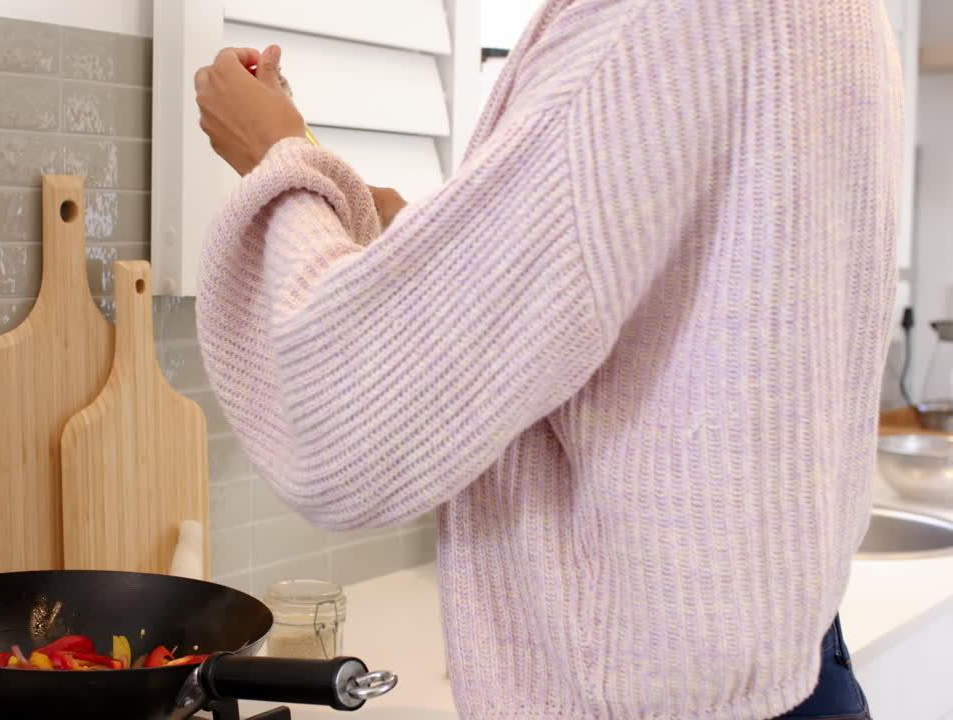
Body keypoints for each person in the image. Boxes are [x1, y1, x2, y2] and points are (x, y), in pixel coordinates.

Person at [192, 0, 901, 717]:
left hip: (642, 693)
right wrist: (406, 232)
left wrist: (276, 158)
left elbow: (347, 421)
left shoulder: (647, 20)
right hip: (794, 668)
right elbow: (681, 296)